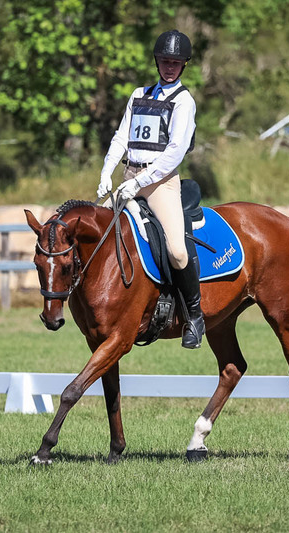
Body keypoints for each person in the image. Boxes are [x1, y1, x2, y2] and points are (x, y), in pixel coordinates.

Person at [97, 29, 204, 349]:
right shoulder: (138, 95)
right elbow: (121, 137)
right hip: (129, 174)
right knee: (97, 232)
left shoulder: (184, 101)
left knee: (177, 251)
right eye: (165, 61)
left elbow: (175, 151)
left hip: (160, 183)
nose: (170, 67)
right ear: (157, 62)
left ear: (183, 65)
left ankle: (194, 316)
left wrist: (139, 182)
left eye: (176, 62)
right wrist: (106, 172)